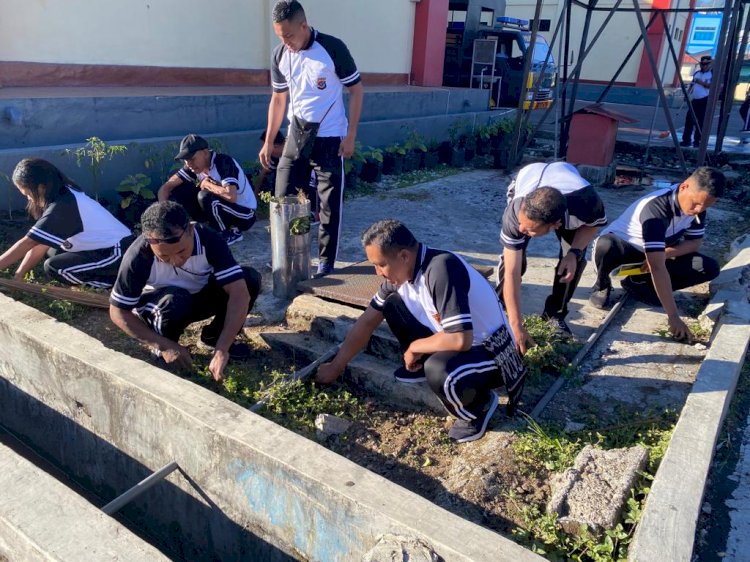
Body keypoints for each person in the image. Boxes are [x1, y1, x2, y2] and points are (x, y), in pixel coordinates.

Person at [316, 220, 526, 444]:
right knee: (392, 305)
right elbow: (367, 322)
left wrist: (416, 347)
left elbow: (460, 339)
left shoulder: (442, 269)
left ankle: (478, 407)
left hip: (493, 352)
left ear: (404, 256)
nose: (377, 272)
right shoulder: (398, 276)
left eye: (381, 265)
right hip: (462, 342)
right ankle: (421, 366)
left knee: (438, 370)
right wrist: (337, 366)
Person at [259, 0, 364, 278]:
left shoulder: (332, 48)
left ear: (304, 25)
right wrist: (269, 140)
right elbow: (279, 99)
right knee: (284, 197)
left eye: (290, 35)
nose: (286, 42)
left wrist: (351, 134)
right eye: (280, 36)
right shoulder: (280, 54)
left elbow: (357, 91)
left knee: (328, 203)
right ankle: (288, 256)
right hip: (297, 134)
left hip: (330, 137)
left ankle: (326, 261)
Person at [109, 201, 261, 381]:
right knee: (173, 300)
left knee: (249, 279)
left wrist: (222, 348)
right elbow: (117, 312)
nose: (176, 260)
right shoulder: (137, 257)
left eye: (181, 251)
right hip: (161, 306)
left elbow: (239, 294)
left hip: (196, 297)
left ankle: (213, 338)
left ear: (190, 229)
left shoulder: (208, 239)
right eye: (164, 256)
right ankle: (163, 349)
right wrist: (165, 346)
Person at [589, 167, 724, 340]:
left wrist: (666, 253)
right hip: (626, 249)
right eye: (696, 203)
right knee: (606, 246)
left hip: (658, 251)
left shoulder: (698, 209)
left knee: (707, 267)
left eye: (705, 206)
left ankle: (640, 285)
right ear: (684, 187)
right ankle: (602, 284)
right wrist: (673, 317)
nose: (698, 210)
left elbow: (694, 243)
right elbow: (658, 267)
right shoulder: (657, 208)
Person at [496, 161, 607, 353]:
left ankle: (554, 316)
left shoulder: (587, 202)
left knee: (573, 263)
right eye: (523, 224)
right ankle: (500, 311)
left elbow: (593, 224)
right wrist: (516, 324)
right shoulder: (515, 215)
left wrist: (574, 253)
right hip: (529, 178)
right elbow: (513, 273)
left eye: (529, 229)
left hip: (569, 192)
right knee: (512, 262)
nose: (521, 230)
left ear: (555, 225)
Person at [0, 158, 130, 288]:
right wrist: (19, 275)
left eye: (27, 193)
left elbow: (29, 242)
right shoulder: (62, 193)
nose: (28, 198)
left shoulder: (64, 206)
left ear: (41, 187)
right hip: (100, 248)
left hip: (116, 254)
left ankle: (115, 284)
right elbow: (39, 243)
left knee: (56, 268)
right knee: (53, 251)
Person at [157, 134, 257, 246]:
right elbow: (166, 187)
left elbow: (231, 196)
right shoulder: (193, 167)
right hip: (222, 208)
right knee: (179, 190)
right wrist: (163, 214)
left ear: (205, 153)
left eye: (191, 159)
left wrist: (207, 184)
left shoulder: (223, 162)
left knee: (204, 196)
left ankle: (226, 233)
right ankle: (202, 227)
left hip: (245, 215)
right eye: (185, 160)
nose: (189, 164)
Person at [681, 56, 713, 148]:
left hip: (705, 100)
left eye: (706, 64)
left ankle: (698, 141)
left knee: (701, 122)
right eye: (702, 64)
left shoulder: (712, 74)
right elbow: (692, 85)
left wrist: (701, 83)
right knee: (689, 120)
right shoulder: (697, 73)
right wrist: (687, 94)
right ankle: (686, 140)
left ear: (710, 64)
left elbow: (712, 86)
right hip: (695, 99)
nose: (704, 66)